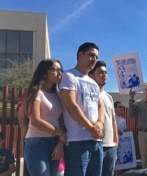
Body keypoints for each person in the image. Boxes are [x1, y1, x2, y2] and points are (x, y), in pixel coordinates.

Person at [58, 42, 104, 176]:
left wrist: (100, 124)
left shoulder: (94, 83)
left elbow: (100, 106)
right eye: (91, 55)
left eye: (96, 57)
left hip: (97, 142)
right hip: (77, 142)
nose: (94, 59)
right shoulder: (68, 76)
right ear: (80, 55)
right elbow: (71, 105)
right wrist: (90, 128)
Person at [23, 59, 66, 176]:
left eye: (61, 70)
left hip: (55, 143)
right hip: (37, 143)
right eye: (55, 69)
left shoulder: (57, 96)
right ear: (44, 72)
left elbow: (62, 120)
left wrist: (60, 143)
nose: (60, 73)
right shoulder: (36, 92)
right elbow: (35, 121)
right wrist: (58, 132)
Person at [89, 60, 119, 176]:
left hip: (111, 146)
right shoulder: (89, 94)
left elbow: (113, 120)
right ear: (92, 75)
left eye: (106, 73)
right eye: (100, 72)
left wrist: (116, 141)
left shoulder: (109, 97)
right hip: (96, 144)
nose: (104, 75)